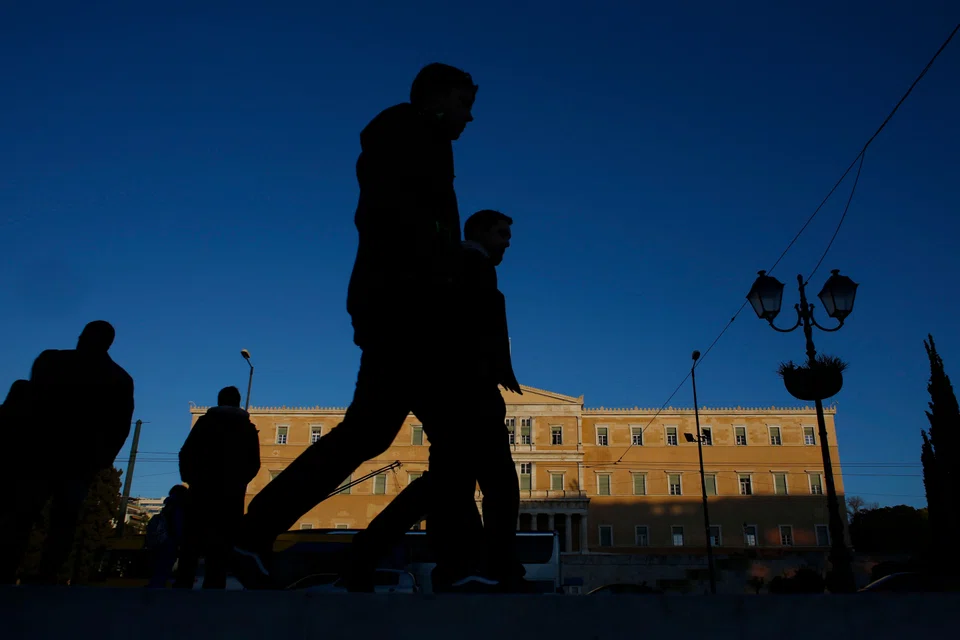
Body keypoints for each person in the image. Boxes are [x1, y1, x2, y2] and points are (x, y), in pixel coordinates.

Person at [232, 62, 479, 589]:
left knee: (395, 434)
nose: (470, 117)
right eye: (464, 104)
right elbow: (400, 221)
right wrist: (441, 276)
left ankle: (257, 534)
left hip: (403, 306)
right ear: (437, 100)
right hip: (407, 309)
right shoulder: (410, 137)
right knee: (452, 438)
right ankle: (455, 566)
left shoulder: (418, 140)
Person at [346, 210, 529, 593]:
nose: (508, 242)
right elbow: (463, 329)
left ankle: (369, 552)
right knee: (496, 483)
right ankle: (496, 569)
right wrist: (486, 373)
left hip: (458, 392)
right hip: (466, 393)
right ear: (480, 232)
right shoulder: (468, 264)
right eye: (502, 233)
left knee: (448, 484)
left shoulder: (462, 266)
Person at [0, 320, 135, 584]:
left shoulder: (52, 362)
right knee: (61, 519)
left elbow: (28, 404)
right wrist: (101, 460)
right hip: (76, 460)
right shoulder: (117, 378)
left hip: (41, 454)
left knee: (24, 514)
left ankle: (9, 571)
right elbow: (120, 426)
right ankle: (46, 576)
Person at [175, 386, 260, 589]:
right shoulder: (247, 428)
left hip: (201, 492)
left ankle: (182, 589)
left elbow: (185, 453)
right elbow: (254, 464)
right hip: (230, 496)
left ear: (219, 400)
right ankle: (214, 591)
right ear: (238, 402)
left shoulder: (205, 423)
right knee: (221, 549)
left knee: (191, 544)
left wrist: (191, 479)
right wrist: (239, 482)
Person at [145, 484, 189, 588]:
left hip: (160, 541)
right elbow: (178, 525)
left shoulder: (168, 505)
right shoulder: (180, 506)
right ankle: (158, 586)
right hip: (171, 541)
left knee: (160, 567)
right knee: (165, 565)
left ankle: (155, 586)